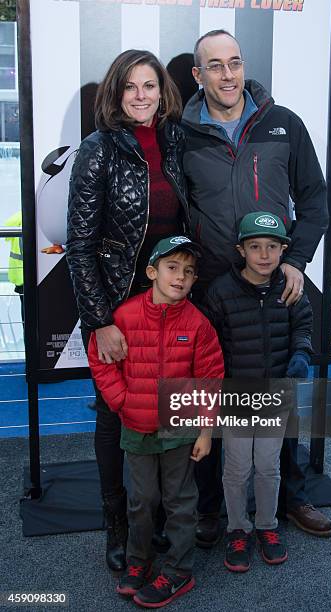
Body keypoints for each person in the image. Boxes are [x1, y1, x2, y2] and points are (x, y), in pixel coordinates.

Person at [182, 29, 331, 543]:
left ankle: (291, 496)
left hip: (275, 285)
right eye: (216, 66)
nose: (229, 75)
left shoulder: (283, 124)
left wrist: (298, 259)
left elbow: (314, 200)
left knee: (275, 396)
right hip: (210, 292)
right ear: (198, 76)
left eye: (235, 63)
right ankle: (207, 507)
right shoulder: (181, 134)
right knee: (211, 396)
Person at [66, 49, 190, 572]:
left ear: (163, 91)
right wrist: (100, 323)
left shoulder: (177, 141)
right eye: (131, 87)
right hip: (119, 310)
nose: (141, 95)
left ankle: (159, 520)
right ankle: (118, 526)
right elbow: (80, 244)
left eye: (150, 85)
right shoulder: (98, 150)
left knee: (167, 411)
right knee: (116, 417)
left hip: (175, 305)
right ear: (116, 95)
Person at [87, 237, 224, 607]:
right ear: (152, 272)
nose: (181, 277)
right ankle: (139, 562)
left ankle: (179, 572)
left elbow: (211, 377)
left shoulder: (198, 324)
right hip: (136, 426)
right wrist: (122, 401)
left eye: (190, 272)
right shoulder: (125, 316)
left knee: (179, 502)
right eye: (172, 267)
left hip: (181, 427)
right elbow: (100, 359)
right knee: (141, 500)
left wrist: (207, 430)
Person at [204, 212, 313, 572]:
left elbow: (303, 326)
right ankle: (238, 528)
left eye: (272, 247)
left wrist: (300, 354)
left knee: (268, 466)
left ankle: (267, 526)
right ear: (241, 250)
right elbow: (210, 343)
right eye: (255, 247)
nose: (264, 255)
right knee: (236, 468)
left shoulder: (292, 286)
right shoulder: (220, 290)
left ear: (283, 250)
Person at [4, 211, 24, 326]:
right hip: (28, 277)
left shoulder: (17, 218)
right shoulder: (37, 216)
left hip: (21, 277)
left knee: (27, 320)